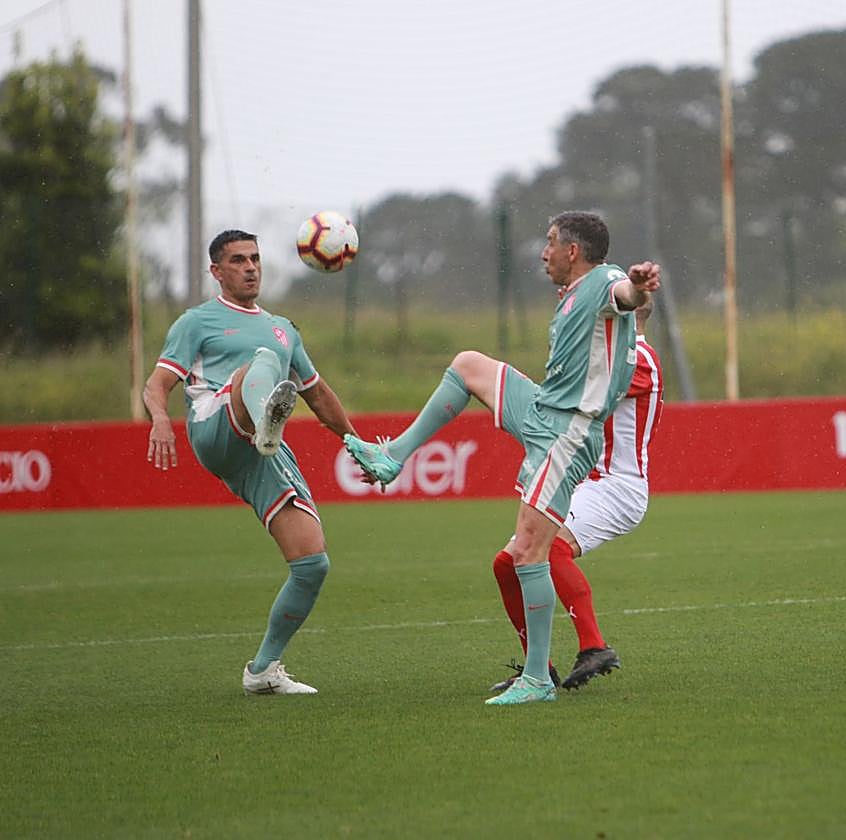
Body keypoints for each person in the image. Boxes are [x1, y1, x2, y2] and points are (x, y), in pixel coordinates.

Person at [345, 210, 660, 706]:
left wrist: (638, 288)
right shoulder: (574, 295)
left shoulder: (605, 280)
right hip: (543, 411)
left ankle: (538, 679)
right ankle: (393, 457)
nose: (543, 251)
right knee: (468, 364)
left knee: (529, 553)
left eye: (551, 242)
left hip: (568, 433)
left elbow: (627, 296)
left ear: (573, 251)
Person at [143, 229, 359, 696]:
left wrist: (356, 444)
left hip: (261, 452)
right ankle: (264, 416)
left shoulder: (284, 327)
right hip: (215, 426)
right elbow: (157, 383)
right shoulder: (196, 322)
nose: (250, 267)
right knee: (257, 366)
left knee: (312, 563)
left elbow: (318, 393)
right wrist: (160, 419)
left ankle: (263, 669)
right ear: (216, 271)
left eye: (255, 259)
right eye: (238, 260)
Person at [490, 298, 664, 693]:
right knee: (507, 564)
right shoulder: (615, 356)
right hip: (587, 483)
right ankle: (540, 668)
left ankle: (594, 646)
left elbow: (575, 395)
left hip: (617, 487)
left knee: (549, 550)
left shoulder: (638, 358)